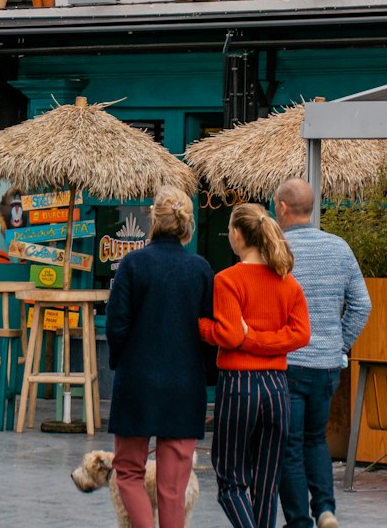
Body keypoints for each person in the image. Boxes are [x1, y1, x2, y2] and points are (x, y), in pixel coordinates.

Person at [104, 186, 214, 528]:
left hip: (138, 380)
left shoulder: (133, 264)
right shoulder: (200, 269)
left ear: (154, 218)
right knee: (173, 487)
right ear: (187, 223)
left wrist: (123, 361)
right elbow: (209, 329)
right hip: (184, 384)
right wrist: (206, 375)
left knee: (129, 471)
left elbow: (116, 325)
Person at [199, 202, 311, 528]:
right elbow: (301, 334)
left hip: (239, 385)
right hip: (277, 387)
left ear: (236, 234)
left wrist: (201, 327)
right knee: (266, 483)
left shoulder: (228, 280)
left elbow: (231, 336)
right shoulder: (286, 281)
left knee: (230, 481)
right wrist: (263, 342)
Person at [273, 178, 371, 528]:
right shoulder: (339, 247)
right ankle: (326, 509)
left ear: (283, 207)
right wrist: (339, 344)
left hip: (288, 362)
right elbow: (362, 305)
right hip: (327, 366)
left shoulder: (276, 248)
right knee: (316, 440)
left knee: (290, 446)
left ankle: (300, 521)